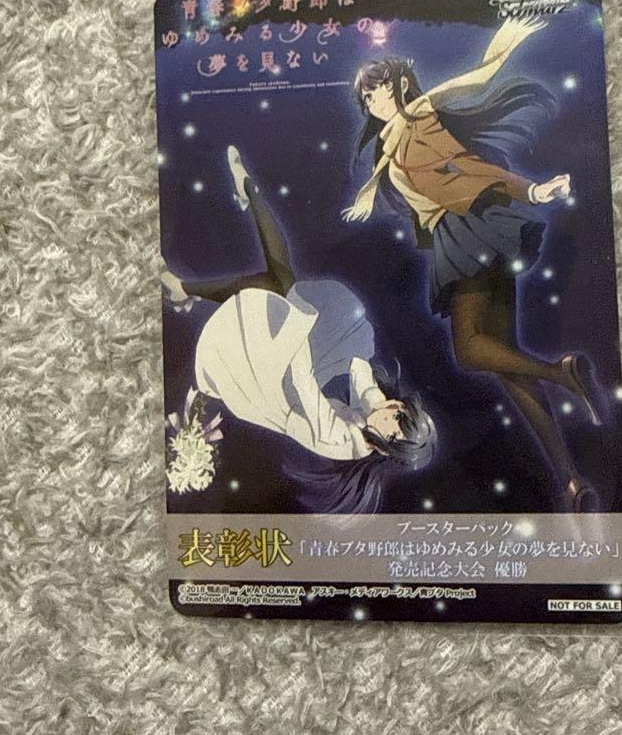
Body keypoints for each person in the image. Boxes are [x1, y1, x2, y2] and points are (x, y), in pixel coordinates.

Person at [343, 14, 602, 511]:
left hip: (468, 232)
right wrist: (368, 193)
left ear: (399, 86)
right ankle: (571, 480)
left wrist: (532, 189)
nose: (371, 100)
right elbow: (389, 169)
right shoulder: (388, 145)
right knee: (507, 365)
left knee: (468, 351)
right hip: (471, 234)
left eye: (378, 90)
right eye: (366, 97)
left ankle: (563, 373)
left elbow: (470, 155)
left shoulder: (420, 114)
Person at [162, 146, 437, 513]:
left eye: (396, 422)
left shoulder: (339, 439)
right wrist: (372, 391)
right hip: (299, 374)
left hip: (274, 388)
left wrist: (299, 322)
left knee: (273, 287)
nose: (393, 409)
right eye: (401, 410)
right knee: (278, 279)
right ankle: (240, 205)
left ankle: (192, 276)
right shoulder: (377, 420)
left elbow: (304, 383)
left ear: (387, 446)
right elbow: (360, 375)